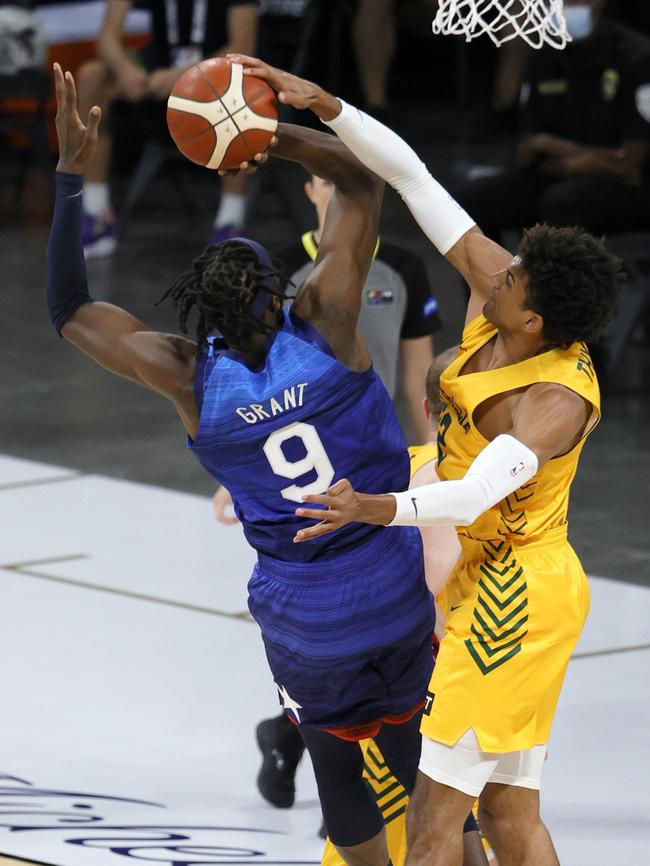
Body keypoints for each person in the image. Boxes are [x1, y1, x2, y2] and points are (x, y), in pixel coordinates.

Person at [225, 53, 623, 866]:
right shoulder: (511, 302)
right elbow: (410, 176)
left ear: (535, 319)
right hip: (480, 569)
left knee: (437, 819)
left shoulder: (554, 401)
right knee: (510, 819)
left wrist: (376, 508)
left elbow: (475, 493)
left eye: (510, 274)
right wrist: (324, 105)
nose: (493, 265)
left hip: (517, 595)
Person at [48, 62, 436, 866]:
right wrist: (267, 134)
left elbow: (70, 311)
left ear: (203, 309)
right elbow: (362, 184)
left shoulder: (188, 376)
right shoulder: (326, 322)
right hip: (391, 582)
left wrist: (68, 177)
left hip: (301, 612)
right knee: (417, 761)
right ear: (280, 290)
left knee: (335, 763)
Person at [256, 348, 491, 866]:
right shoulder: (474, 479)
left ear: (428, 411)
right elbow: (430, 583)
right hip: (419, 651)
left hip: (318, 624)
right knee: (424, 773)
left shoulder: (387, 459)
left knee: (337, 768)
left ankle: (283, 736)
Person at [213, 172, 440, 520]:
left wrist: (433, 445)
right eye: (328, 182)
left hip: (375, 438)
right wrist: (239, 472)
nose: (340, 190)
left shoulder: (404, 267)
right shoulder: (278, 269)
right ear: (310, 191)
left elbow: (418, 372)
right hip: (302, 445)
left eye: (346, 180)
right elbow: (258, 372)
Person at [75, 0, 258, 257]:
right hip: (158, 68)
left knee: (239, 83)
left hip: (215, 66)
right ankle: (95, 214)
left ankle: (231, 221)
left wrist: (183, 75)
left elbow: (242, 47)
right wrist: (124, 69)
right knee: (92, 76)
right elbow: (107, 37)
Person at [455, 0, 650, 238]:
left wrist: (564, 152)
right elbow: (527, 147)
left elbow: (629, 162)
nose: (567, 5)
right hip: (555, 173)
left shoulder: (636, 57)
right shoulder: (544, 55)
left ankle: (566, 275)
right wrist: (553, 156)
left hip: (625, 187)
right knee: (473, 197)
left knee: (562, 201)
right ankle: (490, 275)